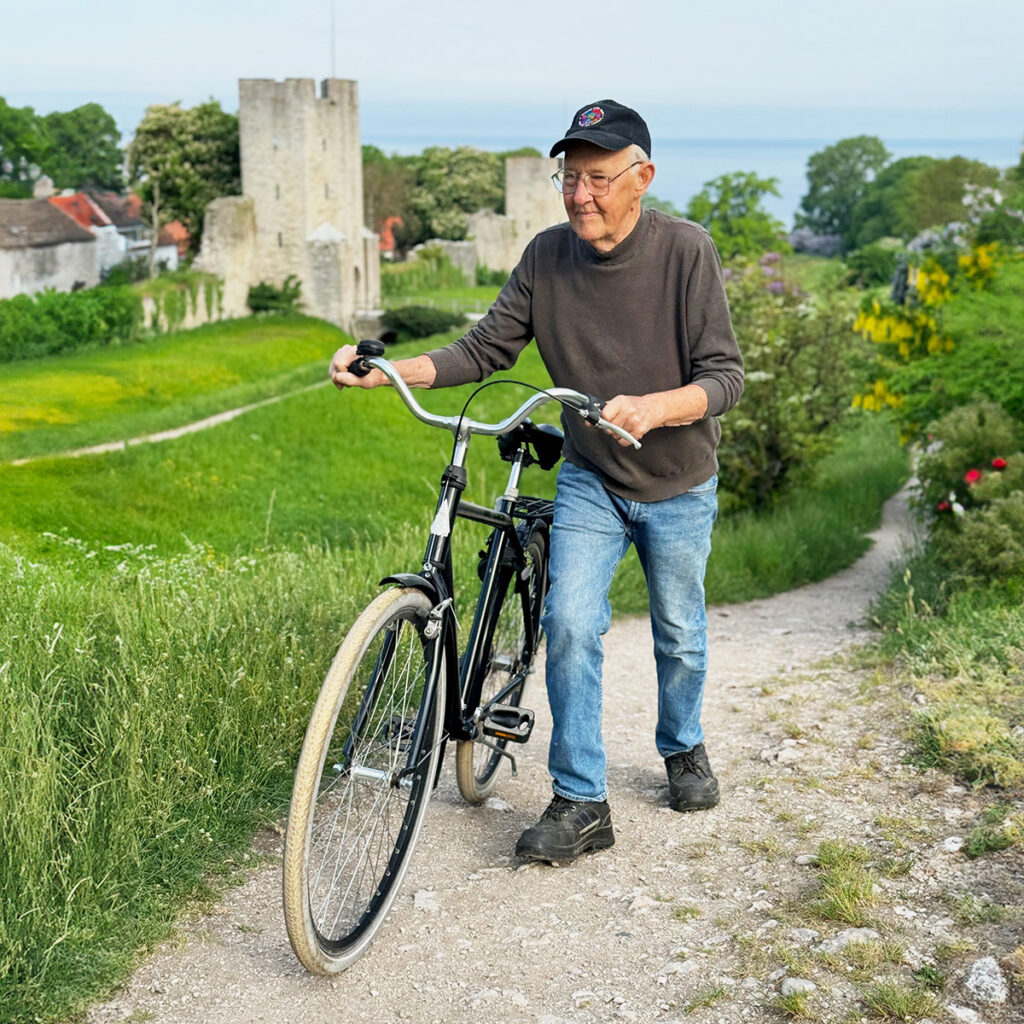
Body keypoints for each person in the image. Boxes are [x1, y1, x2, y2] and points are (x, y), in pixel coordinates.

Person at [330, 99, 744, 863]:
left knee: (680, 634)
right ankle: (582, 800)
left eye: (596, 178)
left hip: (679, 480)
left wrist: (656, 407)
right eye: (568, 178)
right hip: (591, 475)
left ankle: (682, 745)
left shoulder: (687, 252)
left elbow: (725, 378)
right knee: (568, 623)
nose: (579, 194)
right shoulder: (547, 258)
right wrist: (391, 373)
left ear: (641, 177)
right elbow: (486, 348)